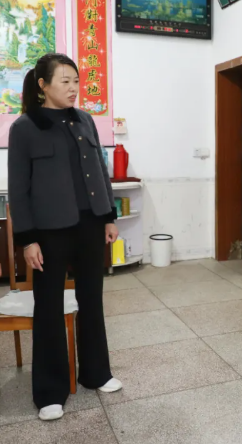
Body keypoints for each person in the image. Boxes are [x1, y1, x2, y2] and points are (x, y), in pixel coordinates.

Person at [8, 53, 122, 421]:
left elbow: (100, 171)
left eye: (76, 81)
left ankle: (96, 373)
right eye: (65, 81)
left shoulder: (84, 120)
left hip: (90, 226)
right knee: (48, 308)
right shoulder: (25, 127)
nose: (73, 88)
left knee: (92, 300)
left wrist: (108, 217)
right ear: (42, 85)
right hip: (48, 233)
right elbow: (18, 190)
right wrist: (28, 239)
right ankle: (49, 392)